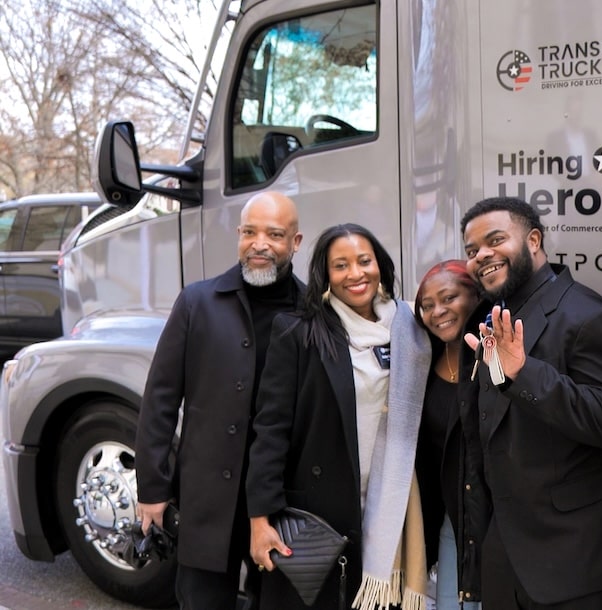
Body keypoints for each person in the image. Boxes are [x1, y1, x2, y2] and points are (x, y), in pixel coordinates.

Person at [459, 197, 602, 610]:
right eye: (472, 251)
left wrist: (523, 373)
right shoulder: (489, 319)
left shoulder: (587, 316)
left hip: (580, 569)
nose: (482, 256)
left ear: (534, 240)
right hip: (507, 564)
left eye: (495, 241)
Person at [246, 223, 432, 610]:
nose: (356, 274)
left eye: (364, 261)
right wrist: (259, 519)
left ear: (379, 264)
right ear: (325, 275)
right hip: (320, 513)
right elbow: (271, 430)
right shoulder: (298, 332)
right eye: (341, 265)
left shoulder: (410, 327)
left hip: (390, 502)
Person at [135, 191, 304, 609]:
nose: (260, 243)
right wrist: (152, 487)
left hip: (282, 499)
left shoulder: (312, 311)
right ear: (239, 235)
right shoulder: (197, 302)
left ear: (295, 243)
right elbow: (160, 397)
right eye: (250, 231)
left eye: (275, 234)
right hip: (205, 497)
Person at [413, 261, 486, 610]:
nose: (437, 311)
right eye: (427, 305)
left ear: (475, 297)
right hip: (450, 522)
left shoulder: (494, 359)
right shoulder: (424, 362)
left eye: (449, 298)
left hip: (494, 519)